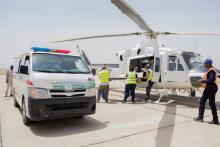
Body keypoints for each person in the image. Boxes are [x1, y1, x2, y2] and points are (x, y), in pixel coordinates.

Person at [194, 59, 219, 125]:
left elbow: (211, 79)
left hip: (211, 88)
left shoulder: (211, 70)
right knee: (202, 101)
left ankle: (215, 119)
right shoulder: (211, 70)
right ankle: (200, 117)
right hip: (209, 87)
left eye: (205, 63)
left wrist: (203, 81)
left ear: (208, 64)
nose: (204, 65)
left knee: (211, 104)